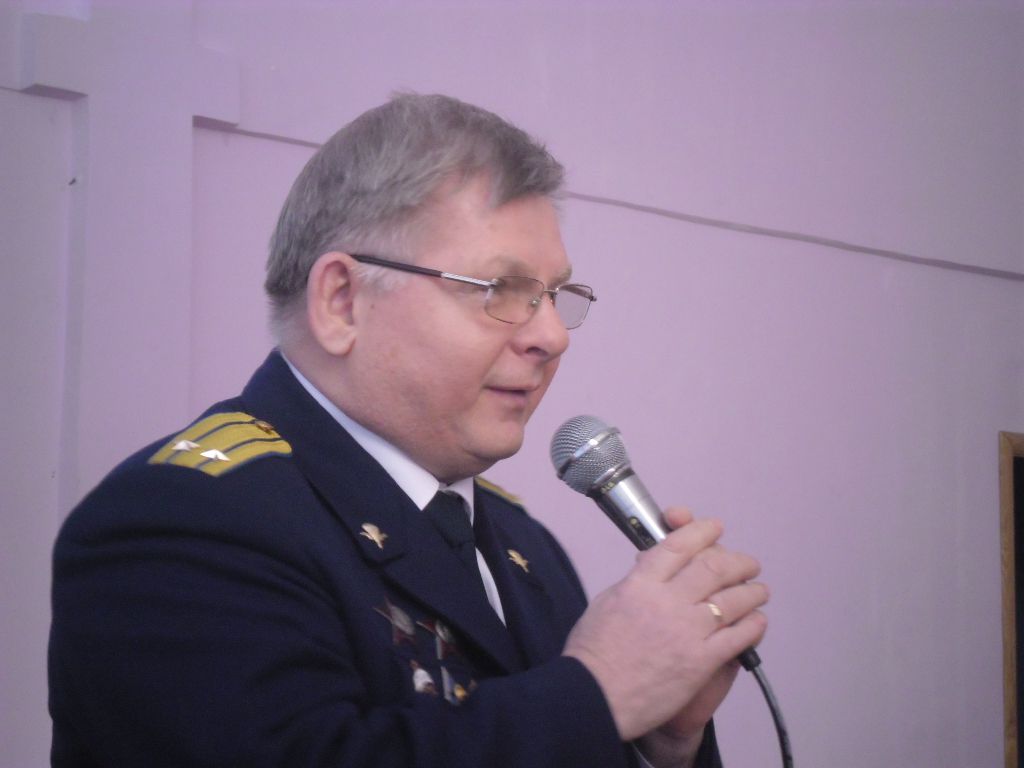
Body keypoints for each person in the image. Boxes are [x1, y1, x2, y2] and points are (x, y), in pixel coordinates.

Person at [48, 93, 768, 767]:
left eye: (554, 296)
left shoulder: (523, 544)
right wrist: (598, 694)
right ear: (342, 301)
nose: (552, 336)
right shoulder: (184, 521)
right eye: (503, 290)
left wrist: (658, 739)